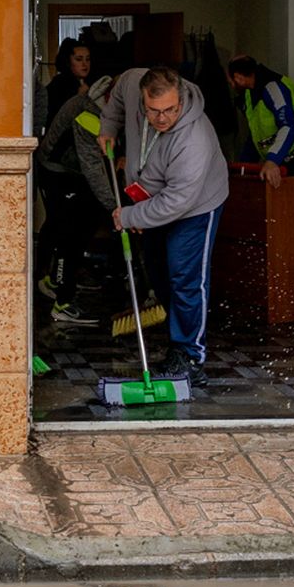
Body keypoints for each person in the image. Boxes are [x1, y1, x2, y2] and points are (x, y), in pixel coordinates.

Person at [99, 66, 229, 386]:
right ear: (143, 100)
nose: (162, 118)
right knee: (159, 271)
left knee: (185, 276)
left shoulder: (193, 139)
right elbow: (116, 101)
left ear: (180, 100)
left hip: (196, 206)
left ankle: (189, 356)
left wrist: (130, 216)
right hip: (151, 192)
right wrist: (109, 126)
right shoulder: (130, 83)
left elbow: (177, 201)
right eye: (154, 111)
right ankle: (177, 338)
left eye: (170, 110)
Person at [227, 55, 294, 314]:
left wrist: (273, 161)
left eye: (231, 78)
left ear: (240, 78)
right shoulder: (249, 96)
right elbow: (255, 140)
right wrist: (239, 171)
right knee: (287, 225)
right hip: (293, 161)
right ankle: (288, 293)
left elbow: (288, 126)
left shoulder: (272, 87)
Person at [34, 75, 119, 326]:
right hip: (57, 171)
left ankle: (55, 281)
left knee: (86, 223)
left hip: (74, 171)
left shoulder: (104, 107)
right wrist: (116, 207)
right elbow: (92, 167)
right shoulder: (87, 113)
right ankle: (63, 302)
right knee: (68, 233)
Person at [45, 38, 93, 124]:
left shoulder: (89, 82)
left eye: (88, 59)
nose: (84, 64)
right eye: (78, 59)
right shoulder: (59, 84)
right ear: (67, 61)